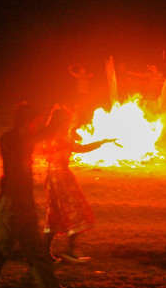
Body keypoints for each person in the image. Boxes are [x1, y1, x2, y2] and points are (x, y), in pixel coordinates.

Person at [0, 102, 72, 288]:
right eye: (37, 120)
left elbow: (37, 136)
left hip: (23, 202)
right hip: (12, 201)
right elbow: (34, 138)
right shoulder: (12, 139)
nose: (39, 125)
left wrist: (51, 122)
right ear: (29, 121)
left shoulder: (22, 137)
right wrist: (54, 121)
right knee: (3, 246)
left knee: (35, 249)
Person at [42, 106, 115, 263]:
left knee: (54, 213)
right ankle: (70, 251)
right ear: (62, 122)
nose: (70, 123)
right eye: (68, 120)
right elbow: (81, 148)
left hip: (51, 177)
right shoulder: (60, 137)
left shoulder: (49, 136)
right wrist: (103, 142)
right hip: (62, 178)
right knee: (76, 210)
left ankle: (45, 252)